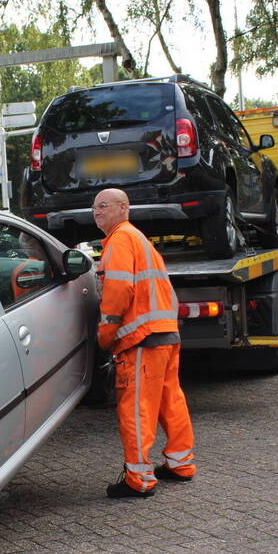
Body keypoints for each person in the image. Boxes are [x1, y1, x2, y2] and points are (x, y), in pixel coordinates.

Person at [93, 188, 196, 498]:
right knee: (169, 401)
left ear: (123, 208)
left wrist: (106, 333)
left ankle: (138, 480)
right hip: (163, 334)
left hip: (142, 338)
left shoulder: (121, 239)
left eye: (103, 205)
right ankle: (181, 463)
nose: (96, 212)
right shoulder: (140, 240)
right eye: (94, 207)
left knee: (137, 407)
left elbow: (118, 291)